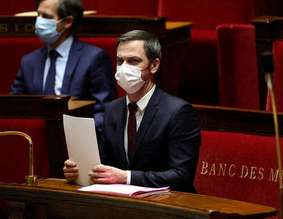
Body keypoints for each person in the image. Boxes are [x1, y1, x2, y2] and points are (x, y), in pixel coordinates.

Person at [64, 30, 201, 192]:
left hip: (168, 204)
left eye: (133, 61)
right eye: (120, 61)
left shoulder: (179, 112)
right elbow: (105, 164)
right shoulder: (112, 109)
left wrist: (127, 177)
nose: (124, 68)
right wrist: (80, 171)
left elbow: (181, 176)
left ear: (154, 65)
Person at [10, 0, 117, 129]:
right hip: (36, 139)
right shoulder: (29, 61)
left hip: (80, 140)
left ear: (67, 22)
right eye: (38, 15)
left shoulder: (94, 58)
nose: (39, 22)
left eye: (47, 17)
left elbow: (105, 110)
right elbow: (15, 108)